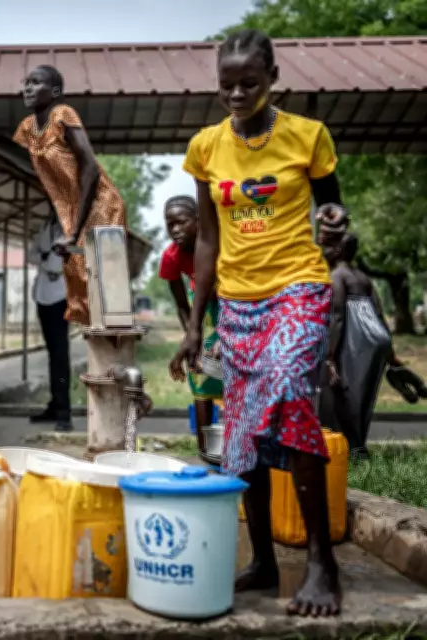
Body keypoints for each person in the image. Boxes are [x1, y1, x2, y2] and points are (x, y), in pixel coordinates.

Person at [169, 29, 349, 616]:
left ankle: (324, 564)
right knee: (241, 432)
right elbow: (207, 241)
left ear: (273, 78)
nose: (237, 95)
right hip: (238, 304)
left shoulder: (307, 136)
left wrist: (335, 225)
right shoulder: (205, 147)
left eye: (249, 83)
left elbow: (334, 210)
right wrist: (197, 325)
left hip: (297, 286)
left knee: (293, 394)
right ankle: (265, 561)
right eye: (227, 86)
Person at [14, 65, 126, 326]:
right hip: (71, 212)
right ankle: (98, 361)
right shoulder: (27, 128)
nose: (27, 88)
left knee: (104, 294)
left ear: (55, 91)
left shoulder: (62, 114)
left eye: (35, 82)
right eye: (26, 82)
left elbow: (90, 168)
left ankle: (115, 352)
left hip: (99, 207)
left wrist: (75, 230)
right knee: (80, 295)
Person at [319, 233, 394, 456]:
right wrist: (391, 353)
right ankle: (358, 444)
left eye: (329, 248)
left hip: (354, 341)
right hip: (375, 341)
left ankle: (346, 447)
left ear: (338, 251)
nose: (324, 252)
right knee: (363, 396)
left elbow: (338, 316)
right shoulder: (364, 278)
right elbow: (379, 315)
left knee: (340, 391)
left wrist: (330, 355)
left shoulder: (337, 276)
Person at [158, 195, 223, 451]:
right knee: (199, 372)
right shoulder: (171, 257)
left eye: (181, 222)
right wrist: (191, 339)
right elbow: (182, 306)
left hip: (232, 301)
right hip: (202, 307)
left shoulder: (220, 243)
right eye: (169, 224)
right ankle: (207, 453)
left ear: (198, 220)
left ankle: (241, 448)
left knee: (235, 375)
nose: (175, 230)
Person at [27, 210, 72, 432]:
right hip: (43, 294)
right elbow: (30, 255)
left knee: (60, 355)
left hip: (61, 296)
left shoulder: (71, 226)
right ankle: (54, 406)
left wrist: (45, 257)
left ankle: (64, 412)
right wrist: (48, 255)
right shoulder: (46, 227)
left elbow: (56, 263)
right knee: (53, 355)